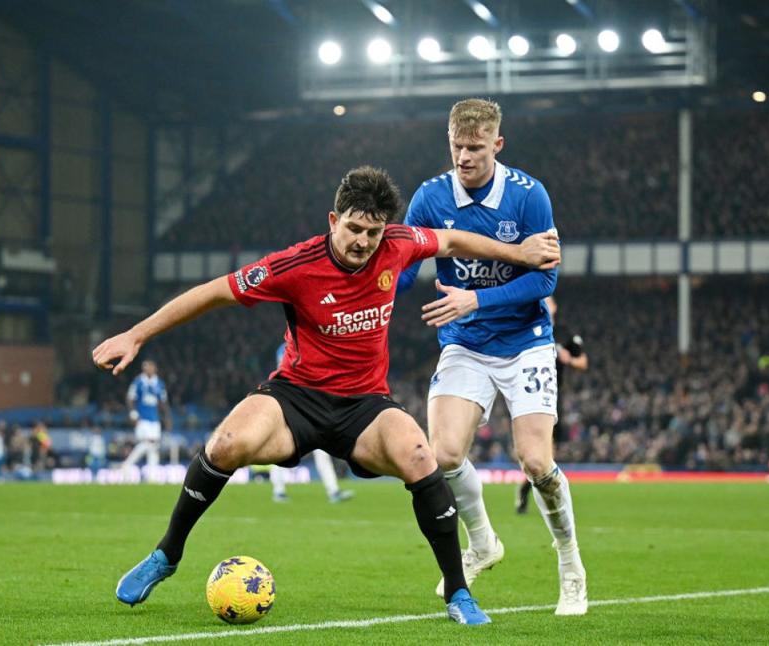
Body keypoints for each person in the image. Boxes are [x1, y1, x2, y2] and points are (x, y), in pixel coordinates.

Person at [93, 165, 559, 624]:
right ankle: (167, 554)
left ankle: (458, 591)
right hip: (296, 397)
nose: (363, 242)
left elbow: (452, 239)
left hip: (365, 405)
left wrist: (517, 253)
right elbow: (213, 292)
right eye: (354, 229)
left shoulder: (398, 243)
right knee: (225, 445)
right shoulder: (294, 265)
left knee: (421, 455)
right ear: (333, 221)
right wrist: (136, 335)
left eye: (373, 233)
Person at [396, 98, 588, 615]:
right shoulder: (431, 197)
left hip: (525, 340)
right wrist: (377, 290)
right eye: (457, 146)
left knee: (535, 461)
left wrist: (475, 297)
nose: (464, 156)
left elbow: (545, 277)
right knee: (445, 455)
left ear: (497, 145)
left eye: (475, 148)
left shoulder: (529, 196)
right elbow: (408, 267)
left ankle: (570, 564)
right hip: (464, 342)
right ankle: (483, 543)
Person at [516, 296, 588, 514]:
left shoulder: (565, 334)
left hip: (553, 397)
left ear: (555, 307)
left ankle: (528, 491)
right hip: (528, 395)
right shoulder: (525, 328)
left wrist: (569, 360)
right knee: (537, 452)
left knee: (547, 454)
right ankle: (534, 494)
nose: (545, 304)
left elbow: (583, 362)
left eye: (549, 302)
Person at [270, 343, 354, 504]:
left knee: (322, 450)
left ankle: (333, 491)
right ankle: (279, 490)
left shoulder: (309, 343)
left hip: (311, 403)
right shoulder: (285, 348)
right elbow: (286, 374)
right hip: (292, 402)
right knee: (280, 447)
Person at [121, 359, 171, 480]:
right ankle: (127, 465)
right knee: (148, 443)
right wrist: (133, 414)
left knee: (153, 447)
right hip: (142, 419)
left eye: (149, 366)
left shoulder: (159, 383)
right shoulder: (138, 382)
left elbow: (163, 402)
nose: (147, 369)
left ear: (154, 368)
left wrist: (167, 417)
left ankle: (152, 476)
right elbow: (130, 398)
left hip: (155, 419)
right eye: (145, 367)